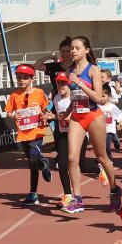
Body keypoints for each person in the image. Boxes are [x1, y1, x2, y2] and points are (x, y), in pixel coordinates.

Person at [65, 36, 122, 214]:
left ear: (86, 50)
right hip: (76, 117)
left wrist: (79, 82)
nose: (73, 51)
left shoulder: (93, 70)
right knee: (72, 158)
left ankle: (114, 189)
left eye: (77, 48)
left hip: (93, 116)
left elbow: (98, 98)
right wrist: (66, 112)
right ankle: (77, 198)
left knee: (102, 157)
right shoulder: (71, 71)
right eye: (71, 48)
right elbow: (74, 96)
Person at [4, 64, 53, 205]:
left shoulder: (39, 93)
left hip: (36, 132)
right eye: (19, 77)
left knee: (33, 156)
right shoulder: (14, 95)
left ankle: (33, 191)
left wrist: (46, 116)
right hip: (23, 133)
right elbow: (8, 112)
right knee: (32, 163)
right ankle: (43, 166)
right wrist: (13, 116)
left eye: (25, 78)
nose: (22, 80)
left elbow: (45, 109)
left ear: (32, 78)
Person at [50, 73, 77, 211]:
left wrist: (55, 116)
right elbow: (56, 114)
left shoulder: (74, 98)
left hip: (78, 134)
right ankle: (67, 195)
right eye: (58, 83)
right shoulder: (56, 98)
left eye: (63, 83)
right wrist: (49, 116)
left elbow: (72, 118)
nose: (60, 86)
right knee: (62, 164)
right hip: (63, 134)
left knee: (81, 165)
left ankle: (98, 165)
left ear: (69, 84)